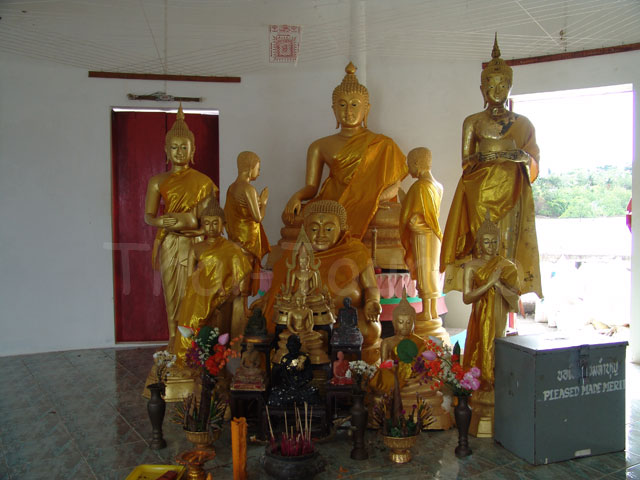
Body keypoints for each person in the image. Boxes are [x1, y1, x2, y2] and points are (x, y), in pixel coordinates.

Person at [440, 35, 542, 299]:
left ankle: (504, 300)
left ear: (510, 86)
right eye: (491, 85)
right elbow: (465, 162)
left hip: (511, 194)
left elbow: (534, 165)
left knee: (505, 251)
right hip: (480, 195)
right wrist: (482, 157)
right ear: (482, 89)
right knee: (482, 253)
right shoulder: (473, 122)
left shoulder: (523, 124)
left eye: (502, 85)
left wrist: (520, 156)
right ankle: (481, 302)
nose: (497, 91)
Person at [283, 62, 407, 240]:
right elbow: (312, 187)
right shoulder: (319, 146)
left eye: (354, 105)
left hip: (368, 204)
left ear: (366, 109)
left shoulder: (384, 144)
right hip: (332, 206)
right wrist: (296, 196)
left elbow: (395, 185)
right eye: (342, 105)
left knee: (394, 216)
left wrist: (372, 200)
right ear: (333, 110)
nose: (348, 111)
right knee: (293, 218)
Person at [260, 200, 383, 364]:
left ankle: (319, 343)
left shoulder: (356, 251)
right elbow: (281, 289)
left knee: (371, 330)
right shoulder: (295, 256)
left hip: (347, 319)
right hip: (308, 320)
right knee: (286, 331)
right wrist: (268, 300)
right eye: (314, 229)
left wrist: (372, 301)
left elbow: (371, 286)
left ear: (341, 229)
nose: (321, 235)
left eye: (329, 229)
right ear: (305, 230)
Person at [144, 104, 218, 350]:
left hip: (195, 243)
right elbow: (148, 215)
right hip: (169, 242)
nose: (179, 152)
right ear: (166, 150)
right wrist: (158, 221)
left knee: (193, 291)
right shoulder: (157, 181)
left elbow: (212, 219)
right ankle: (173, 339)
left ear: (193, 149)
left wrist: (197, 228)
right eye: (174, 147)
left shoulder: (204, 182)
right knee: (172, 293)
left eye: (184, 147)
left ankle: (193, 341)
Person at [461, 214, 520, 437]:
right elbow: (467, 298)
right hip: (480, 316)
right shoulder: (471, 266)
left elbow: (515, 297)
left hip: (499, 315)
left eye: (495, 241)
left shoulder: (506, 266)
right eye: (486, 241)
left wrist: (500, 285)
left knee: (498, 348)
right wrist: (489, 283)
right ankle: (481, 388)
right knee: (481, 348)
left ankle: (496, 389)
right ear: (479, 243)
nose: (491, 246)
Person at [173, 201, 252, 365]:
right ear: (202, 225)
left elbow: (242, 271)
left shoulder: (231, 248)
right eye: (207, 223)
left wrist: (233, 291)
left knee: (217, 333)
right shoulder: (196, 248)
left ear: (223, 224)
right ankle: (192, 359)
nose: (211, 227)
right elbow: (190, 276)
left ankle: (215, 364)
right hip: (197, 295)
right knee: (192, 324)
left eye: (215, 223)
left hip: (222, 298)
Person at [399, 147, 449, 343]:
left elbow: (415, 218)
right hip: (434, 236)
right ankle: (431, 310)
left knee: (425, 273)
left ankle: (428, 312)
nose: (409, 169)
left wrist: (404, 205)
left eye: (409, 165)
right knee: (430, 271)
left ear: (417, 163)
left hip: (423, 236)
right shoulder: (438, 186)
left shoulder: (420, 187)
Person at [225, 151, 270, 295]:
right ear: (250, 167)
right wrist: (264, 203)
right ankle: (241, 306)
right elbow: (258, 217)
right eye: (258, 168)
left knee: (239, 284)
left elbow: (230, 214)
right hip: (247, 243)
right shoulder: (248, 189)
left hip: (235, 240)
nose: (259, 173)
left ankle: (241, 304)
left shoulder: (232, 188)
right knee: (242, 287)